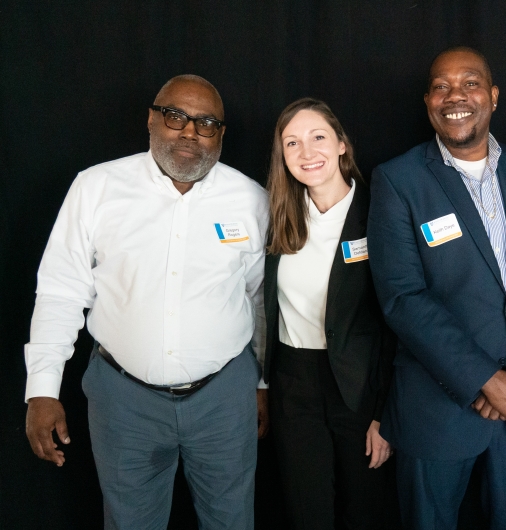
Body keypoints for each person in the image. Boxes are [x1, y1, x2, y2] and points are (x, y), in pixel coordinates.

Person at [24, 75, 269, 529]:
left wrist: (262, 383)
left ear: (221, 135)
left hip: (224, 398)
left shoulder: (252, 200)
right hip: (123, 400)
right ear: (152, 119)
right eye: (176, 117)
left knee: (233, 520)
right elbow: (61, 289)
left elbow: (259, 299)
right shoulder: (95, 188)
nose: (190, 132)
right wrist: (42, 388)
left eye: (206, 123)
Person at [367, 46, 506, 530]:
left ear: (494, 96)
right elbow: (402, 298)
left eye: (470, 83)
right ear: (427, 102)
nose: (454, 96)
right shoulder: (398, 180)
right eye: (441, 86)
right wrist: (488, 379)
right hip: (435, 411)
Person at [262, 97, 398, 530]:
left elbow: (399, 323)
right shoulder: (275, 216)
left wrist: (385, 414)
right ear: (282, 157)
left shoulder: (381, 213)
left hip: (361, 388)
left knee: (364, 509)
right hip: (294, 384)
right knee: (307, 511)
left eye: (318, 137)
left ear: (341, 144)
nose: (307, 152)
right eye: (292, 143)